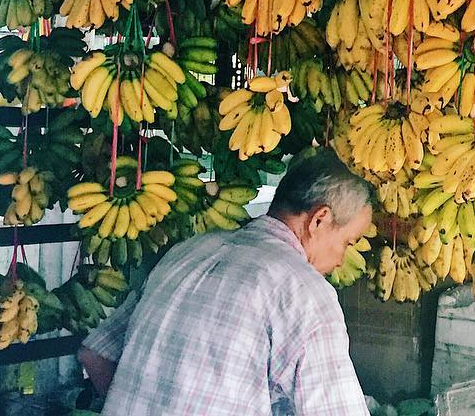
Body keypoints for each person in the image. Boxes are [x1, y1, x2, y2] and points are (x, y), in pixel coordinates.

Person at [78, 152, 374, 416]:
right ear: (319, 220)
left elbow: (95, 354)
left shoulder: (186, 252)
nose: (341, 260)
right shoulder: (303, 292)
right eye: (347, 242)